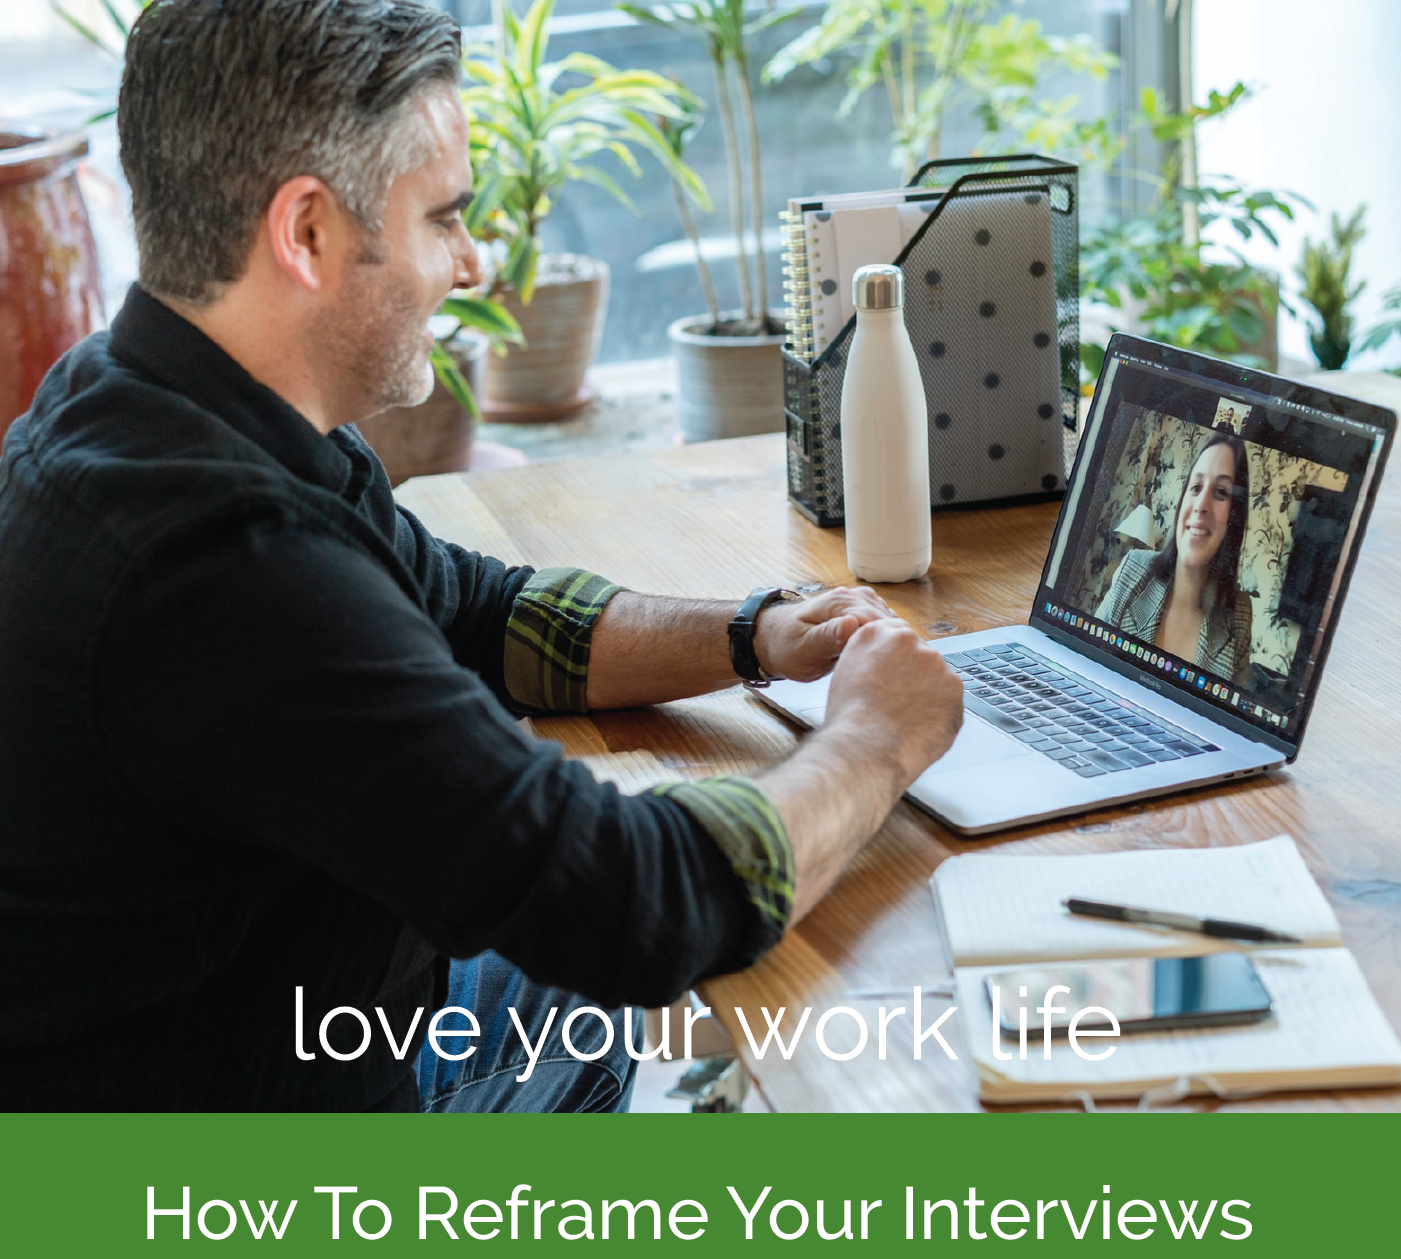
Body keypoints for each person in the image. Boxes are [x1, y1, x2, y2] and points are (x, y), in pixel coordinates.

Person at [0, 0, 963, 1112]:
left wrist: (754, 633)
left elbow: (473, 609)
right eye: (444, 218)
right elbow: (625, 903)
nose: (472, 261)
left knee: (717, 980)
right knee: (820, 1047)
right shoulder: (224, 568)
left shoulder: (145, 398)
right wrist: (877, 737)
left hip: (312, 1015)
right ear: (305, 231)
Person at [1096, 433, 1254, 686]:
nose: (1201, 505)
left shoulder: (1240, 613)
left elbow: (1232, 716)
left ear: (1234, 517)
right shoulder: (1134, 569)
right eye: (1195, 487)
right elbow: (1085, 659)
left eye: (1221, 492)